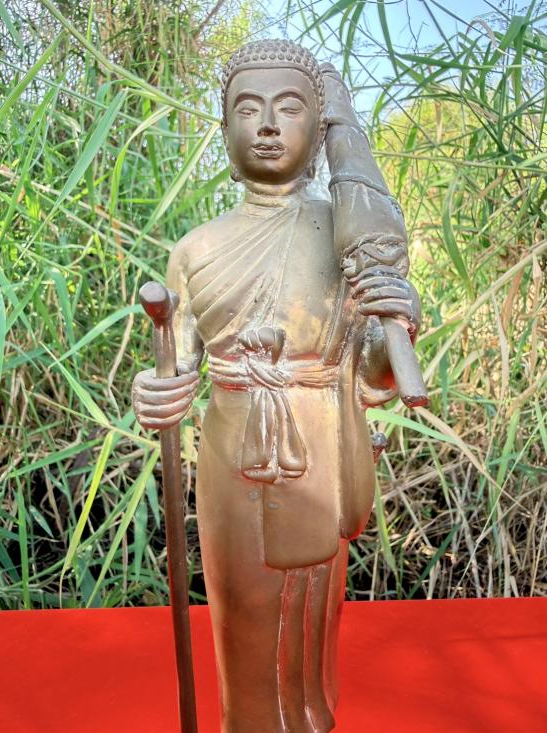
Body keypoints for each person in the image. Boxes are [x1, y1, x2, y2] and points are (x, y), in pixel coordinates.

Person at [132, 39, 421, 733]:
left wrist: (402, 319)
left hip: (321, 439)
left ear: (318, 130)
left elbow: (374, 369)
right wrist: (157, 391)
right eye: (247, 109)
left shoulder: (346, 232)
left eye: (288, 108)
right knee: (244, 612)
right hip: (232, 449)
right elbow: (178, 363)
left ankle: (310, 721)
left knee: (313, 618)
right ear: (224, 127)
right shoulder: (195, 249)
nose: (266, 125)